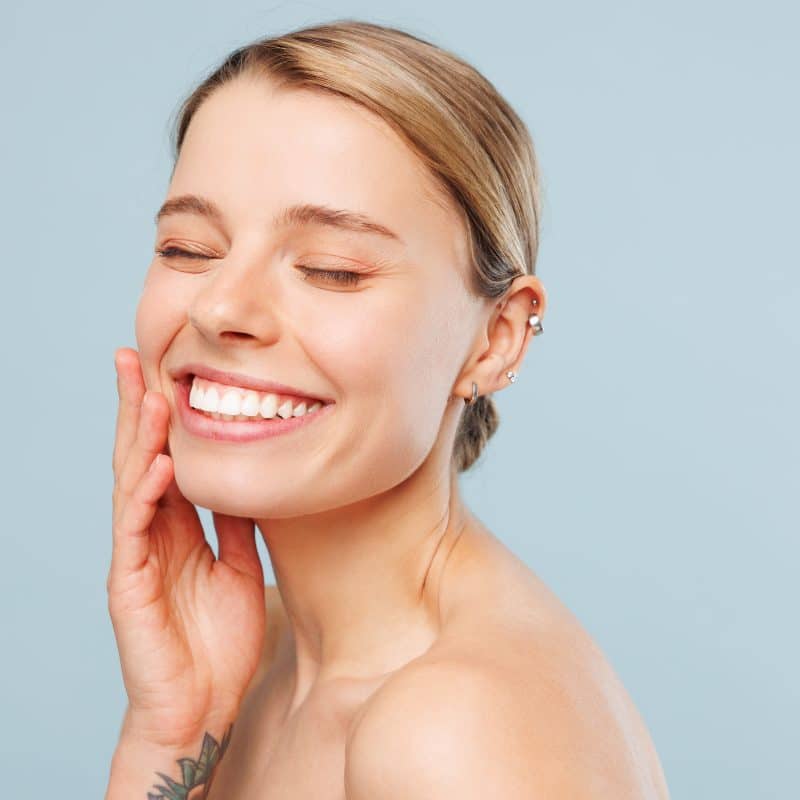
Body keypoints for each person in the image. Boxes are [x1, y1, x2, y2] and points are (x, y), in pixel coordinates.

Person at [105, 19, 670, 800]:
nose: (220, 306)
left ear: (496, 339)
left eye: (331, 270)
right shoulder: (255, 658)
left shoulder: (455, 732)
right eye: (188, 249)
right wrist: (165, 735)